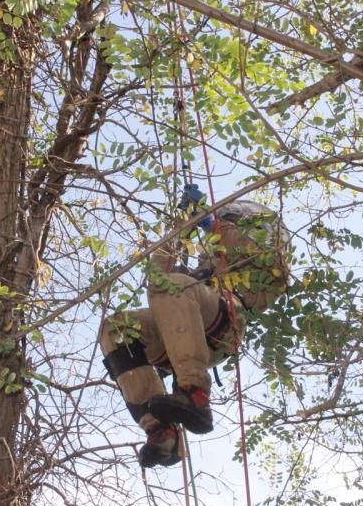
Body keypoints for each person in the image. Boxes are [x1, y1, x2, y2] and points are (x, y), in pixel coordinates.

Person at [99, 191, 291, 468]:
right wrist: (178, 232)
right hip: (180, 332)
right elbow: (156, 277)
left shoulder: (268, 261)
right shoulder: (204, 268)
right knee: (116, 328)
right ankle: (160, 429)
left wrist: (211, 223)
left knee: (175, 284)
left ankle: (195, 393)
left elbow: (245, 247)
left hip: (224, 325)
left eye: (230, 224)